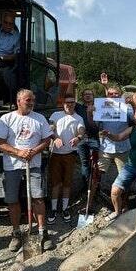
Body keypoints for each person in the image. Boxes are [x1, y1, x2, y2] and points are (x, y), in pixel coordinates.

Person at [0, 89, 54, 252]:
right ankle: (17, 233)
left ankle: (42, 232)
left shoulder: (39, 118)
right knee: (12, 200)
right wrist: (18, 152)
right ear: (19, 101)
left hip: (33, 164)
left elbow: (47, 139)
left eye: (33, 100)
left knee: (38, 198)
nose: (31, 102)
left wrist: (34, 151)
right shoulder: (7, 118)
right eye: (28, 100)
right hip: (12, 165)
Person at [100, 105, 136, 221]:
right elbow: (118, 137)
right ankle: (117, 212)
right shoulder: (132, 129)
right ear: (134, 115)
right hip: (130, 166)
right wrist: (108, 134)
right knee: (115, 191)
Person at [47, 94, 86, 224]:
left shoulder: (78, 118)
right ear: (63, 104)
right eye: (67, 102)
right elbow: (51, 127)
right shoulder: (55, 115)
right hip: (56, 154)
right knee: (55, 183)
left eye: (72, 102)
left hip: (70, 154)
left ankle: (64, 208)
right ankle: (53, 209)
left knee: (67, 183)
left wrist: (78, 138)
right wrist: (55, 137)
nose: (69, 105)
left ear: (75, 104)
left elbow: (81, 130)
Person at [75, 88, 100, 213]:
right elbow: (67, 98)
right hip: (82, 139)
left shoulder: (98, 107)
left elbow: (111, 103)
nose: (88, 96)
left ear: (93, 96)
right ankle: (87, 187)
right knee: (84, 165)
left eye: (90, 94)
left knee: (96, 165)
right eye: (85, 94)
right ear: (82, 96)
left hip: (95, 138)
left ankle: (96, 188)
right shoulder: (78, 107)